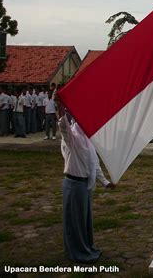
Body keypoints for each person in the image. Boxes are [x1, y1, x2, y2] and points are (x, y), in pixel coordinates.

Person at [57, 99, 115, 263]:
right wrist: (61, 108)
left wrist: (105, 182)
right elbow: (64, 127)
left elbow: (94, 164)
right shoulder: (72, 138)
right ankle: (78, 252)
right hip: (74, 184)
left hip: (84, 185)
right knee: (75, 221)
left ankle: (87, 247)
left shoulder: (88, 141)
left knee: (84, 220)